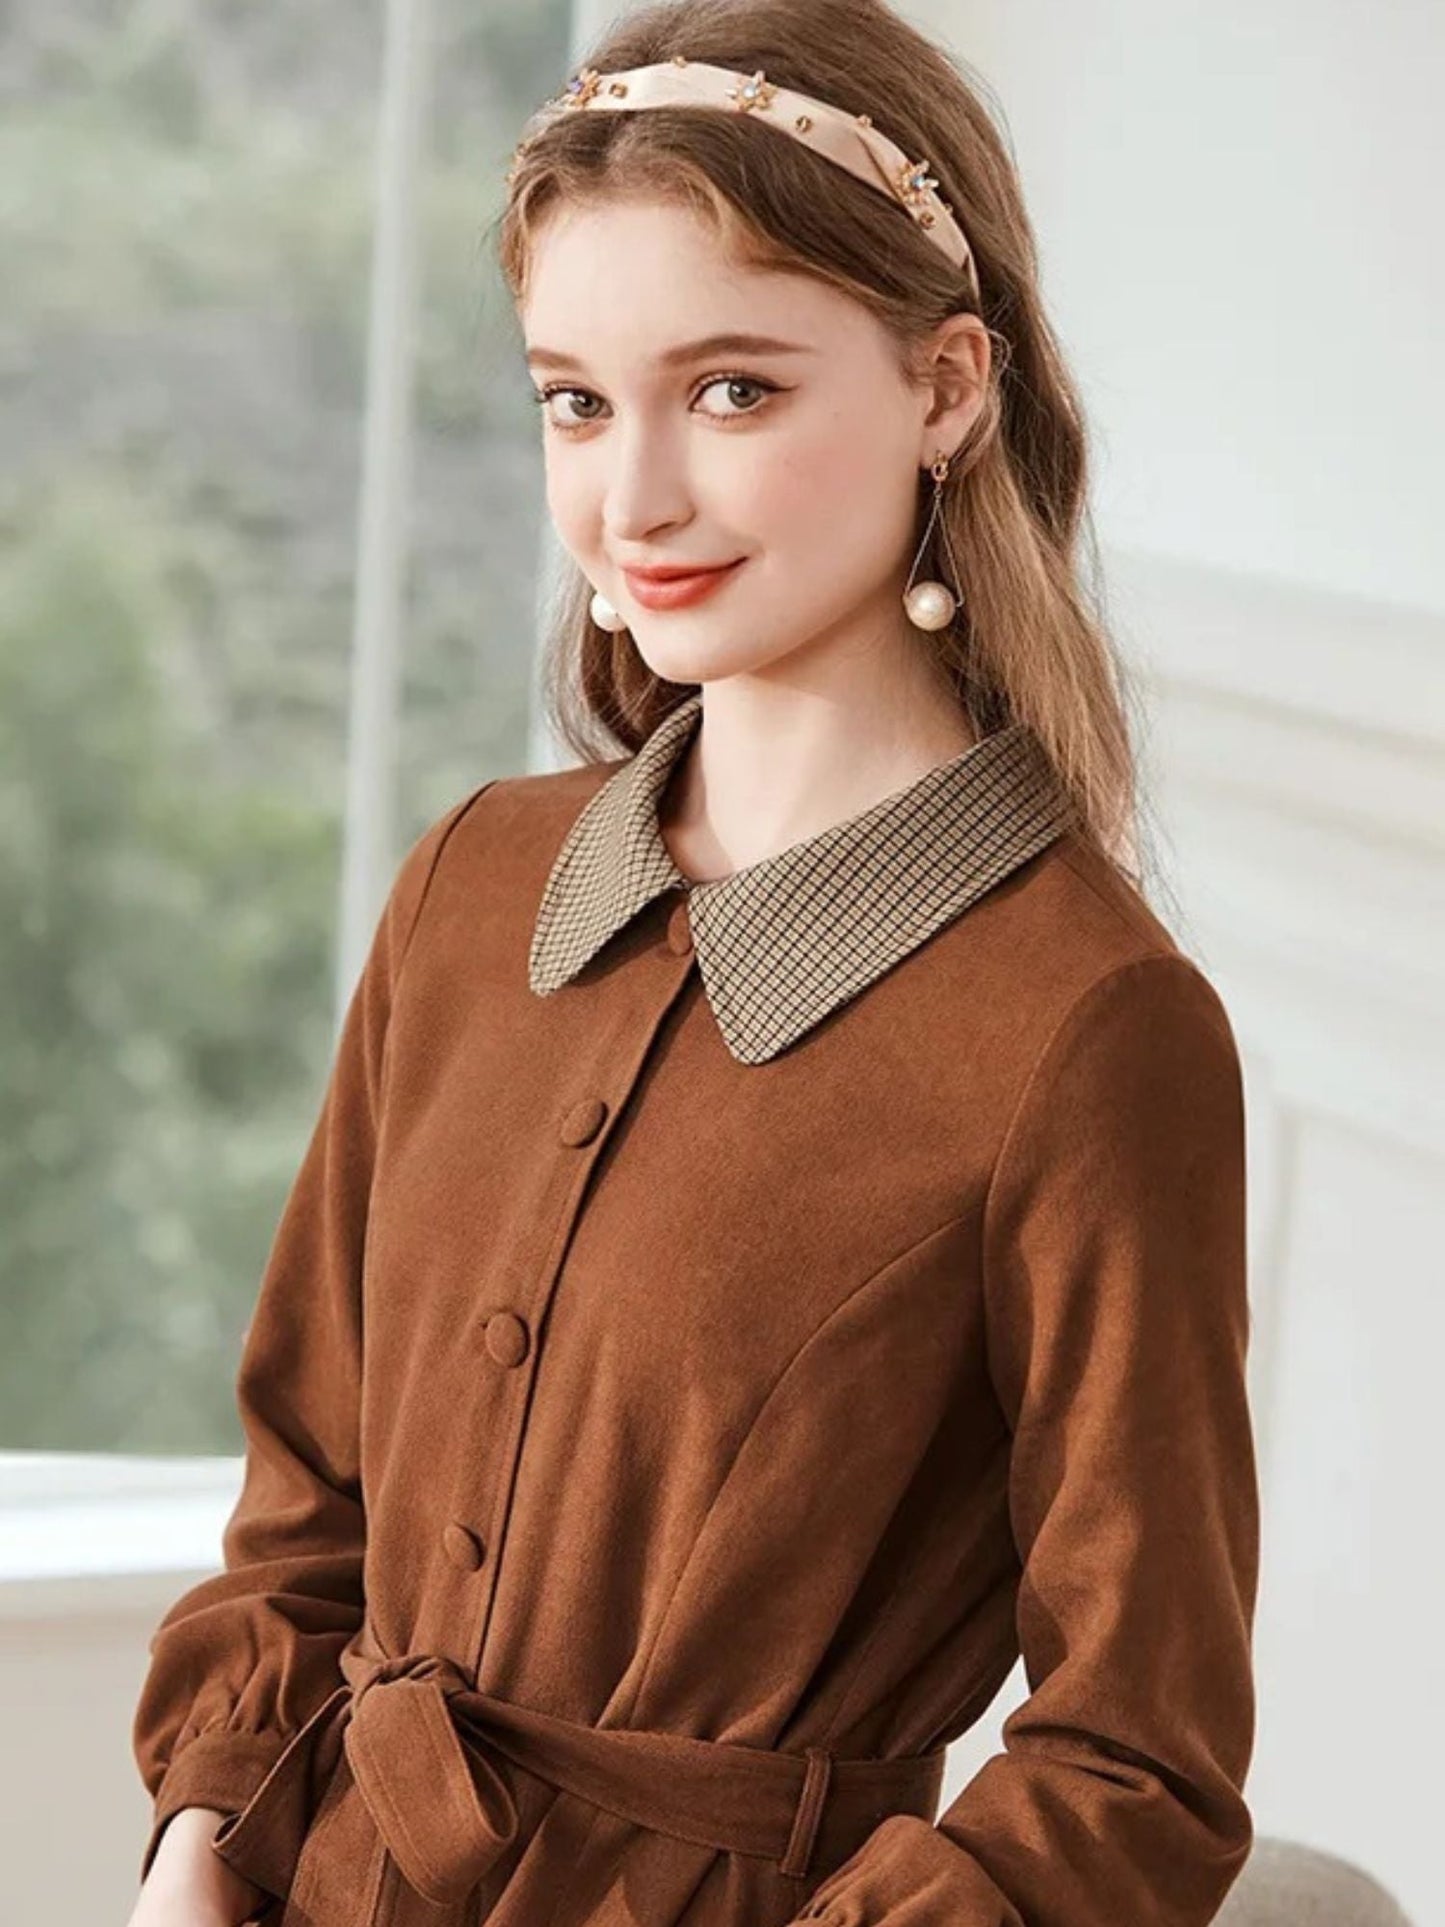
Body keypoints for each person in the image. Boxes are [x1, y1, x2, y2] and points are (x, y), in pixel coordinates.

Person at [126, 3, 1260, 1925]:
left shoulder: (1086, 1029)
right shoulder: (472, 889)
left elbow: (1137, 1752)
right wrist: (195, 1849)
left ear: (947, 389)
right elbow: (307, 1500)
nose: (629, 496)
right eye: (573, 398)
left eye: (730, 391)